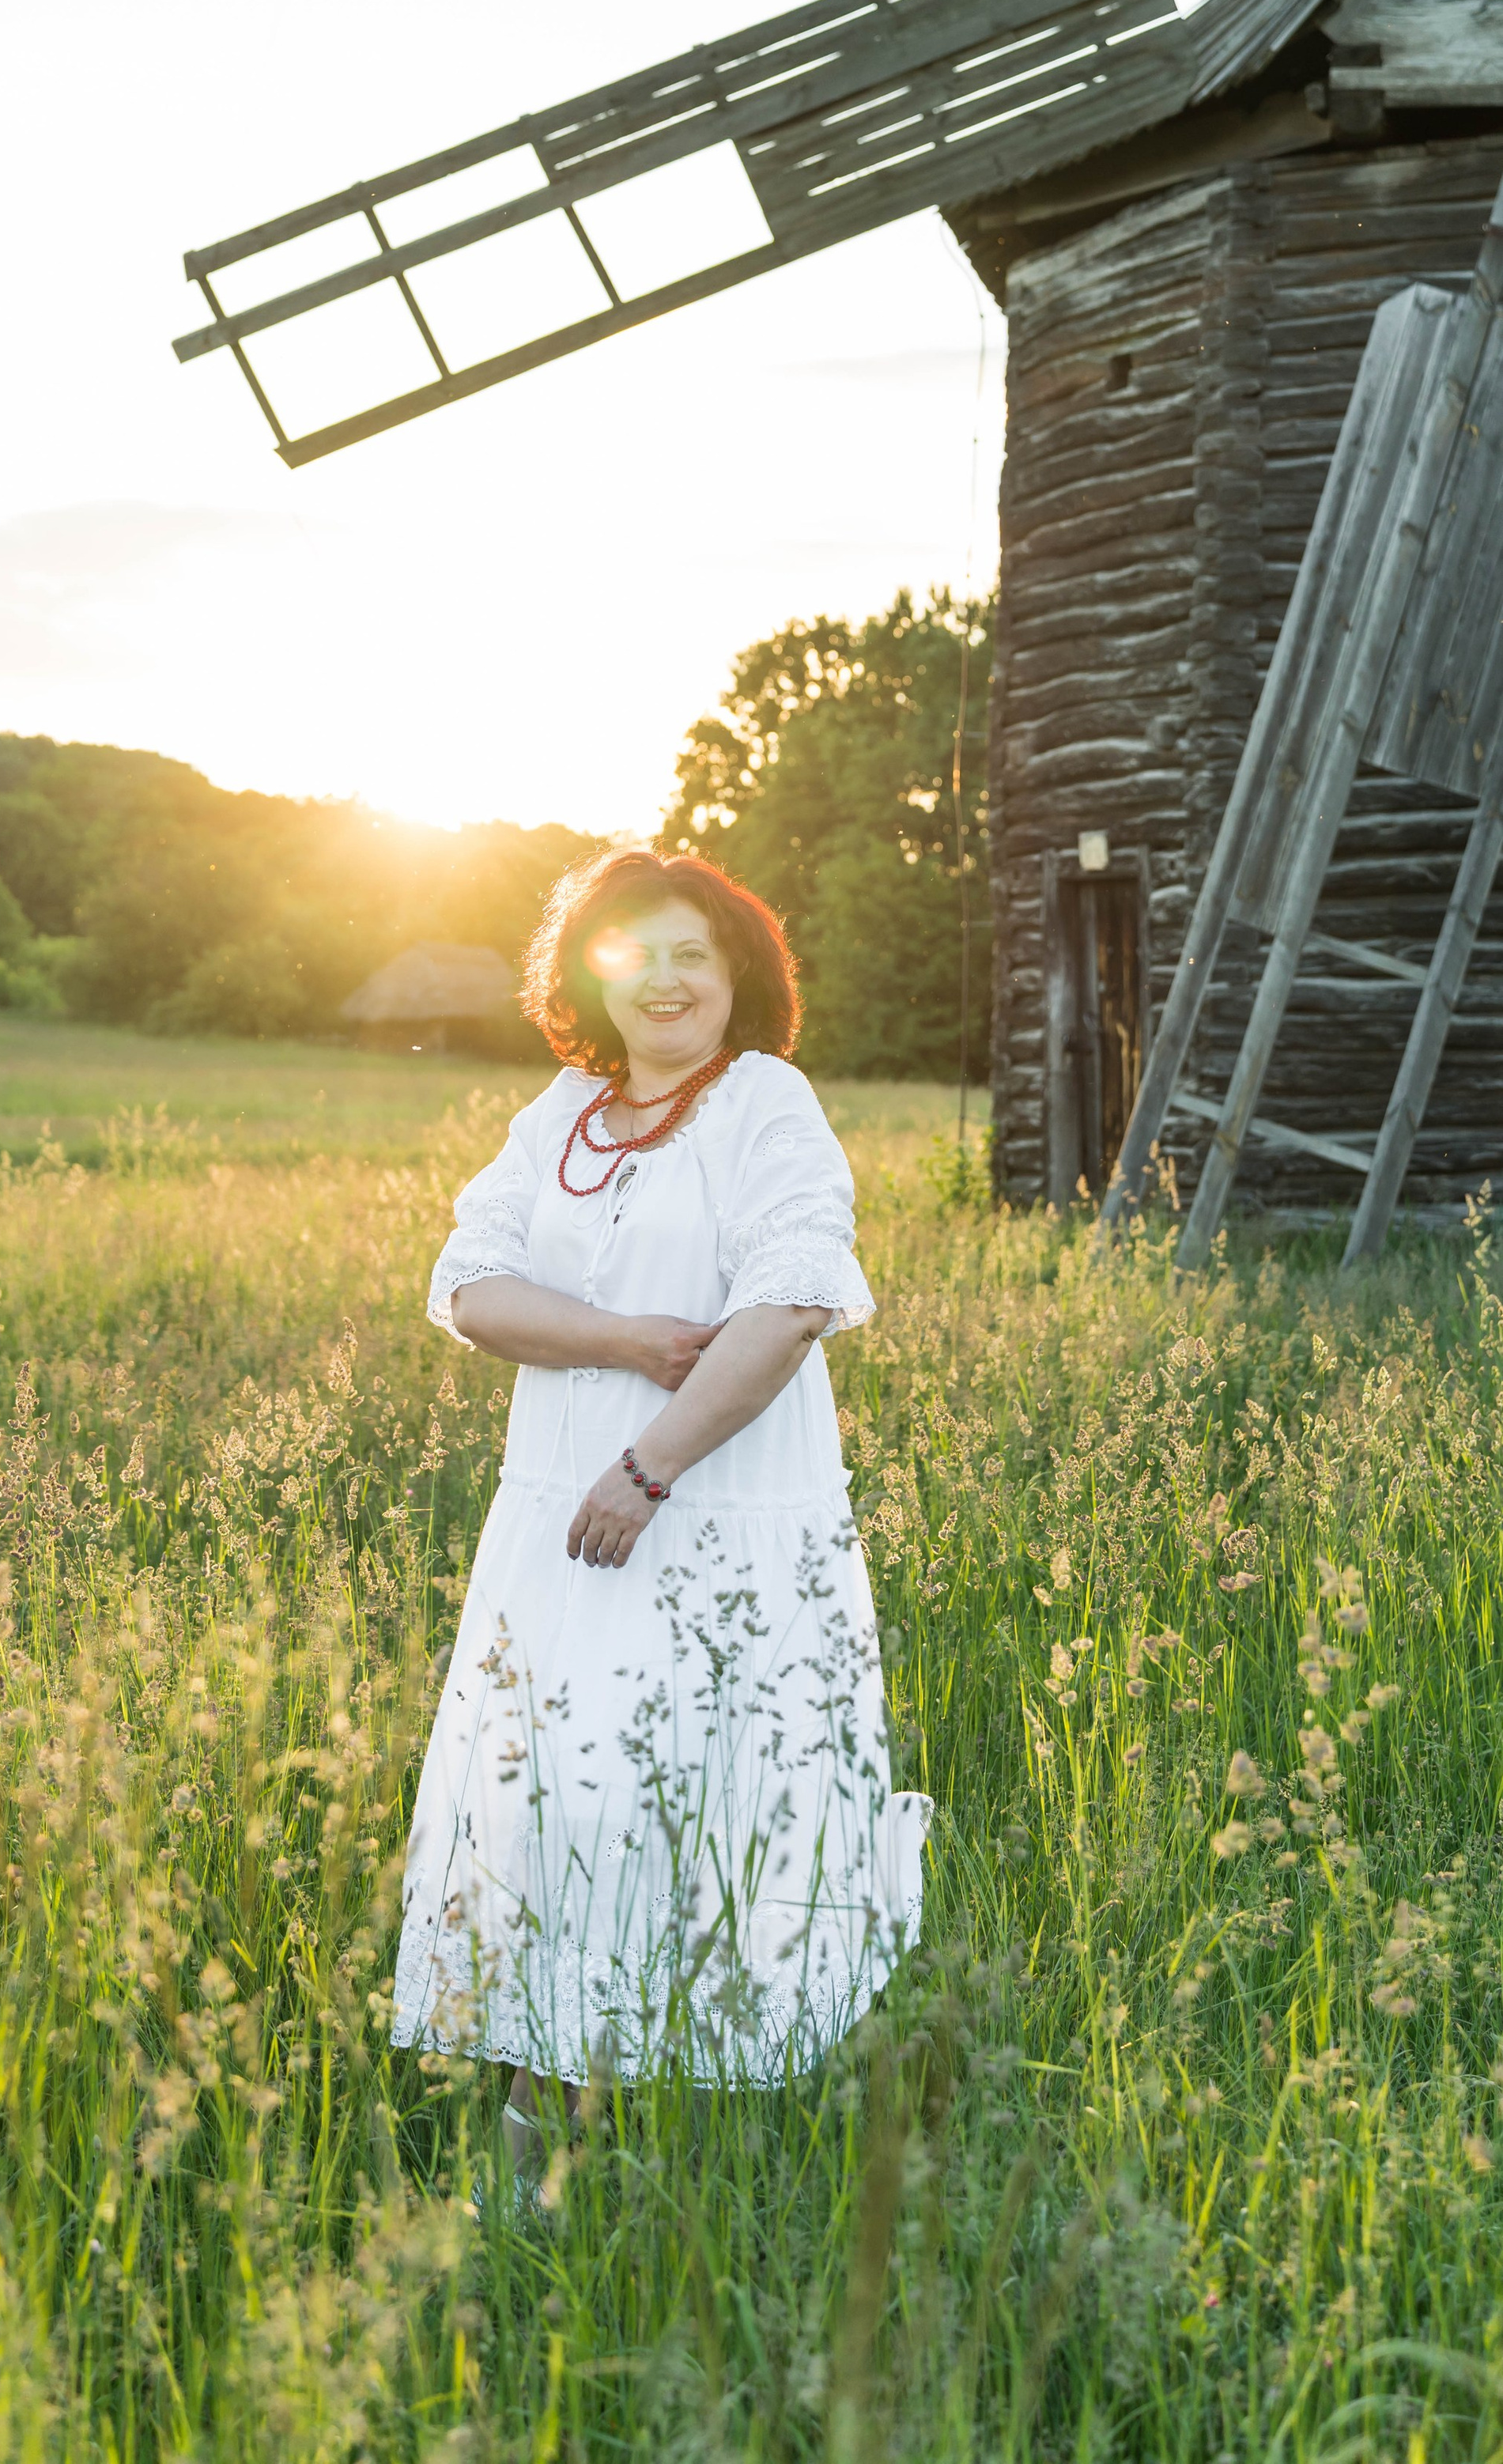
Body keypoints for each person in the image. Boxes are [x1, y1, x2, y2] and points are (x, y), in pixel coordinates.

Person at [391, 846, 928, 2180]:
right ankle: (544, 2141)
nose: (667, 979)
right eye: (637, 955)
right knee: (552, 1807)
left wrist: (648, 1470)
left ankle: (682, 2149)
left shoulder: (764, 1103)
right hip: (556, 1528)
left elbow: (790, 1304)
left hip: (711, 1517)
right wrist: (626, 1339)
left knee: (677, 1811)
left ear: (736, 972)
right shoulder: (562, 1113)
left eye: (694, 952)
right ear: (593, 976)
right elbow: (471, 1289)